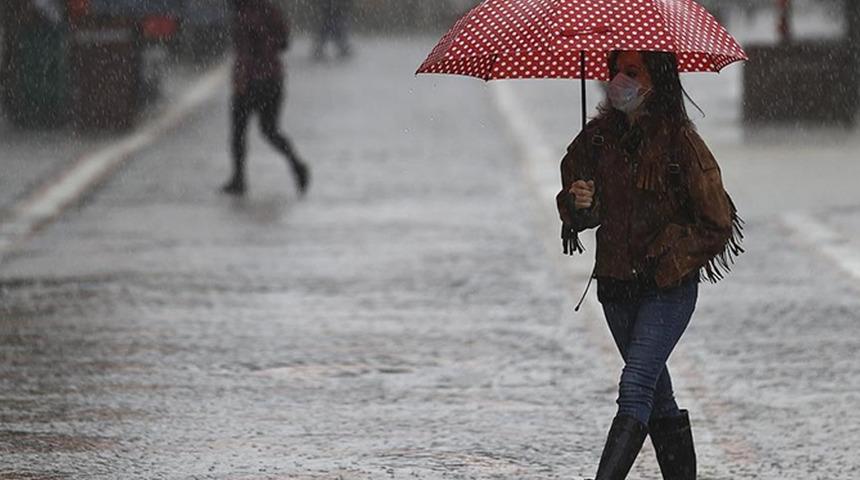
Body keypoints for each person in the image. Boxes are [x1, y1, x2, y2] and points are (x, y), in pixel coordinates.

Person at [556, 50, 743, 480]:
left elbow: (717, 221)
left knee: (635, 385)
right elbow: (580, 208)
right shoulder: (597, 140)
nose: (619, 80)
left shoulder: (681, 142)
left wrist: (670, 259)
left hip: (667, 290)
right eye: (615, 70)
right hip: (616, 290)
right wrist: (577, 201)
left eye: (632, 71)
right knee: (657, 397)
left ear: (655, 79)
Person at [222, 0, 309, 196]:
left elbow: (243, 51)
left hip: (250, 80)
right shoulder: (271, 10)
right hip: (274, 79)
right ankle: (296, 164)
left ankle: (239, 179)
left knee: (238, 131)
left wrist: (241, 79)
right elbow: (285, 43)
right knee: (270, 129)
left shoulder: (241, 14)